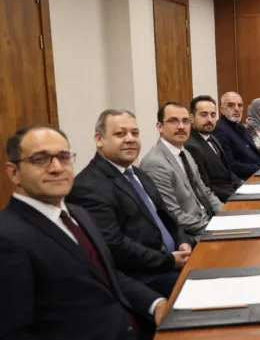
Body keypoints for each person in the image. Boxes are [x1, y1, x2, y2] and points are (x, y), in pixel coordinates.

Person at [0, 124, 166, 340]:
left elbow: (107, 275)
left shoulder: (79, 214)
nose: (57, 168)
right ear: (14, 173)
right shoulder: (7, 237)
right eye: (40, 159)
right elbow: (14, 331)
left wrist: (156, 304)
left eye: (63, 157)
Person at [67, 109, 193, 298]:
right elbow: (115, 246)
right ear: (99, 139)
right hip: (145, 278)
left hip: (174, 260)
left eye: (135, 133)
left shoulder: (138, 174)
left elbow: (168, 217)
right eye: (120, 134)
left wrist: (182, 241)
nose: (130, 139)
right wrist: (169, 260)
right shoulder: (88, 186)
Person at [140, 102, 223, 239]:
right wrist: (215, 227)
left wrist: (227, 214)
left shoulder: (185, 153)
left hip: (209, 222)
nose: (181, 126)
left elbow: (205, 192)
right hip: (192, 235)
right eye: (173, 121)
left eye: (185, 121)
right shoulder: (155, 164)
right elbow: (174, 215)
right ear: (160, 126)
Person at [185, 96, 242, 202]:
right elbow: (206, 187)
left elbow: (228, 172)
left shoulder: (213, 138)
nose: (209, 119)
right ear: (191, 118)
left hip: (234, 193)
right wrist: (237, 198)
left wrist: (244, 188)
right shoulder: (190, 146)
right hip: (223, 201)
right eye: (203, 114)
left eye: (213, 115)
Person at [212, 91, 260, 180]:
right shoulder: (219, 129)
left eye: (240, 105)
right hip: (245, 178)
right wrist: (259, 169)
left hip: (259, 172)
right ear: (222, 110)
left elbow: (255, 153)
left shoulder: (240, 126)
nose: (236, 109)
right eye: (231, 105)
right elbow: (230, 165)